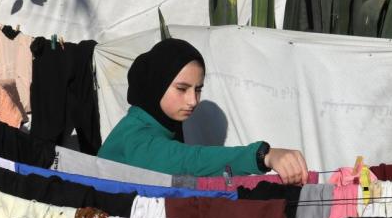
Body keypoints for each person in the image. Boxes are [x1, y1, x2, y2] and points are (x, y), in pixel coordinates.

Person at [98, 39, 310, 184]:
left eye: (197, 89)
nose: (192, 100)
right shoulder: (136, 139)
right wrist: (263, 156)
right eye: (182, 89)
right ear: (156, 85)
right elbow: (189, 161)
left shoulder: (155, 127)